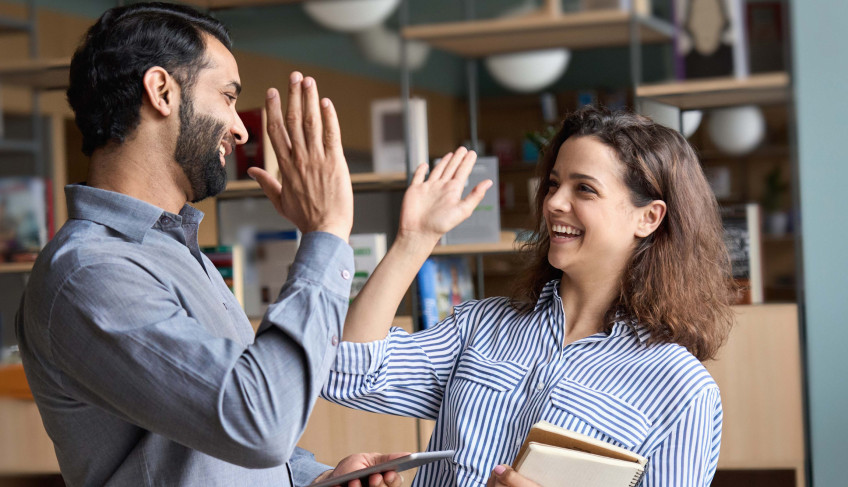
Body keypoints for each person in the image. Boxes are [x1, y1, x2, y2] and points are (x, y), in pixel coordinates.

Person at [14, 3, 421, 486]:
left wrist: (315, 478)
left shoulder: (177, 253)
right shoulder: (90, 273)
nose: (240, 127)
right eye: (227, 97)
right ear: (161, 91)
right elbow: (259, 423)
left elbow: (217, 435)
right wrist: (326, 232)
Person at [322, 107, 738, 486]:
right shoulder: (480, 326)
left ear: (648, 217)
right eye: (554, 184)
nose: (554, 203)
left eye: (585, 190)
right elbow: (346, 372)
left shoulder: (682, 391)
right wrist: (414, 240)